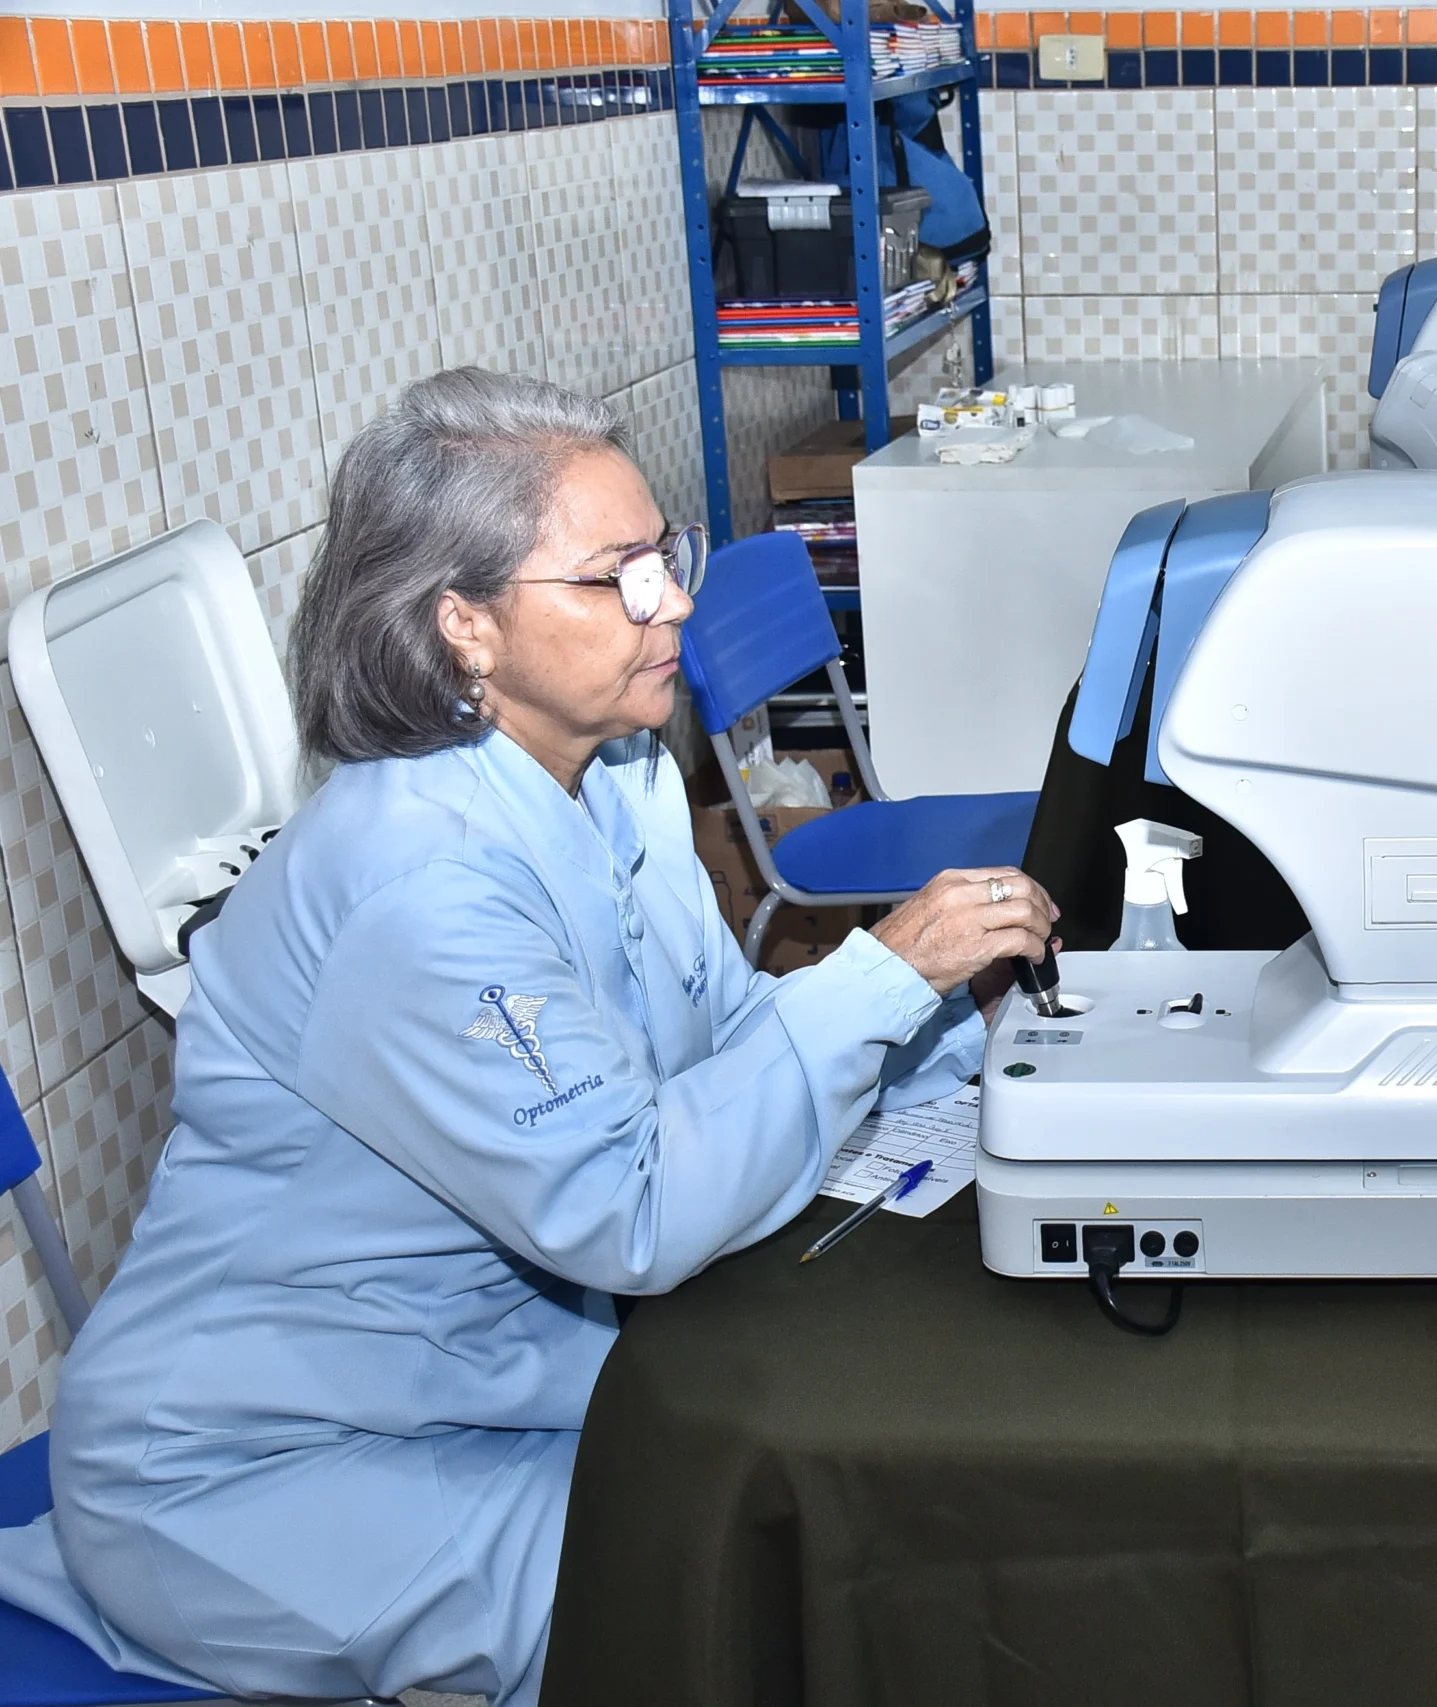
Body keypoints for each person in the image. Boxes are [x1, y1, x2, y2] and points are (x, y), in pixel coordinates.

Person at [0, 369, 1059, 1706]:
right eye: (615, 576)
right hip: (253, 1474)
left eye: (663, 556)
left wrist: (986, 1038)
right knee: (732, 1606)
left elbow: (730, 1036)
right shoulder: (416, 884)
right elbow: (625, 1208)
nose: (672, 600)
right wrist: (887, 974)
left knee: (839, 1521)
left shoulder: (611, 779)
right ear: (465, 627)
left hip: (491, 1397)